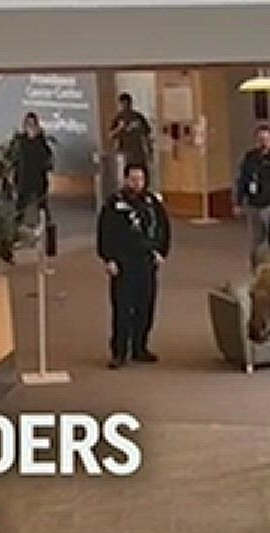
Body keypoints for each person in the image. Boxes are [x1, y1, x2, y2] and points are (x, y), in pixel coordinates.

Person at [96, 162, 170, 369]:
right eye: (133, 179)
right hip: (122, 264)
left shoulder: (152, 202)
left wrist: (161, 252)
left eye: (140, 179)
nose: (137, 183)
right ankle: (119, 352)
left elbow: (163, 228)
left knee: (145, 307)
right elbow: (104, 233)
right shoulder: (114, 203)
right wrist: (108, 258)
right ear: (126, 179)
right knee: (122, 309)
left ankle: (140, 347)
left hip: (146, 262)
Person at [234, 123, 270, 267]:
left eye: (266, 139)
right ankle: (256, 271)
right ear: (256, 140)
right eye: (261, 139)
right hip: (254, 206)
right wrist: (238, 202)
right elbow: (242, 180)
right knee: (255, 243)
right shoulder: (249, 158)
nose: (263, 142)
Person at [14, 112, 55, 226]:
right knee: (21, 204)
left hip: (38, 176)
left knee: (42, 203)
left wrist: (38, 138)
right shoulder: (21, 140)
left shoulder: (41, 140)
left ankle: (46, 228)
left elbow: (46, 156)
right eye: (28, 123)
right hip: (24, 176)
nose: (30, 126)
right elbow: (17, 158)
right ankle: (17, 228)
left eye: (33, 123)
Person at [108, 92, 155, 183]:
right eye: (123, 104)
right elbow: (111, 135)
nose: (125, 106)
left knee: (142, 173)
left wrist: (150, 151)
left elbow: (147, 135)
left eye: (127, 103)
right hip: (125, 152)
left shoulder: (138, 117)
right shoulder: (118, 118)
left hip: (139, 151)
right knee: (127, 174)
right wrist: (119, 128)